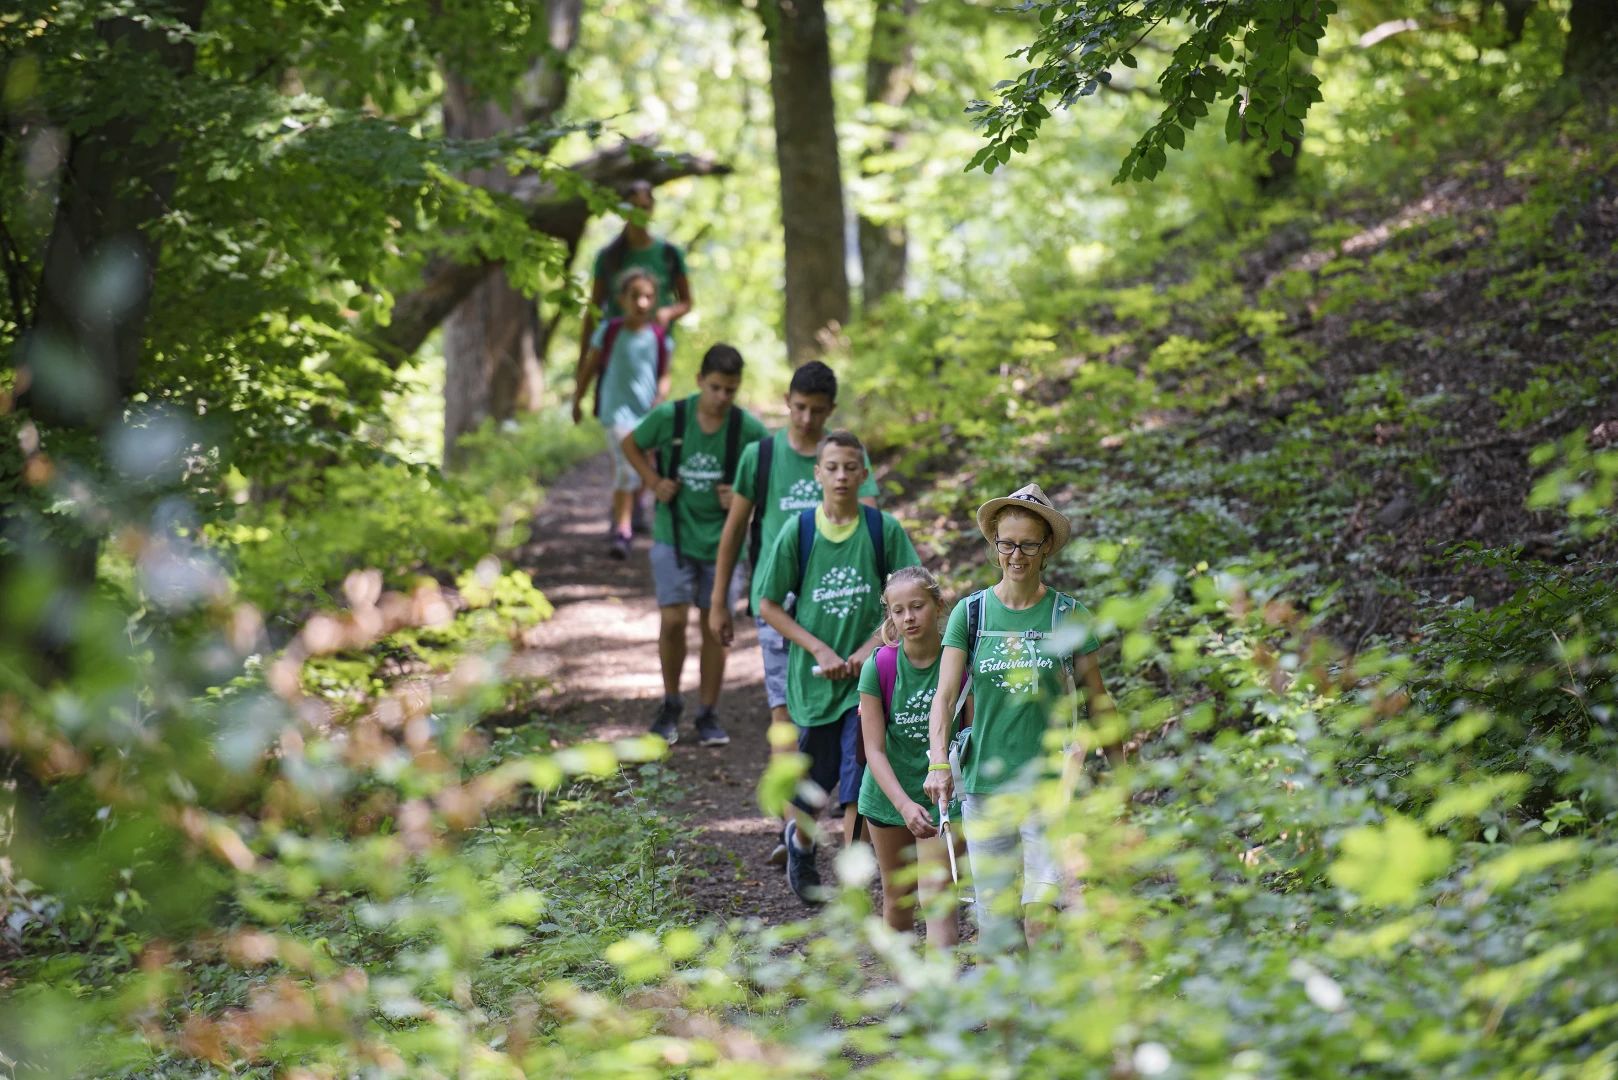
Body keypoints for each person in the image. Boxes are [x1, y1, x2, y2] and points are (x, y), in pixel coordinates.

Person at [922, 484, 1114, 952]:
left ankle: (1045, 999)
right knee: (996, 928)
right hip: (985, 788)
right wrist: (938, 763)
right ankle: (1009, 1002)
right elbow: (943, 697)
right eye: (1007, 543)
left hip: (1050, 789)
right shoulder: (971, 613)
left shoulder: (1068, 615)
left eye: (1028, 544)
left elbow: (1099, 701)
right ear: (994, 544)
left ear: (1046, 547)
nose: (1016, 555)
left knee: (1040, 921)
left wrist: (1123, 779)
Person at [707, 362, 879, 865]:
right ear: (787, 401)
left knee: (848, 711)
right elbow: (734, 530)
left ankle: (842, 822)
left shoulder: (845, 457)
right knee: (784, 715)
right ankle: (793, 833)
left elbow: (871, 524)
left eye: (817, 411)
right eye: (800, 407)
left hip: (839, 603)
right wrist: (719, 600)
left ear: (831, 410)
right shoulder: (760, 457)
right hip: (778, 606)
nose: (806, 418)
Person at [758, 431, 921, 904]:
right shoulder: (799, 532)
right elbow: (768, 605)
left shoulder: (883, 530)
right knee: (814, 781)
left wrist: (873, 645)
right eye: (832, 467)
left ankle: (853, 884)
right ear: (818, 474)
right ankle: (800, 843)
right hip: (813, 685)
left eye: (851, 467)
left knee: (859, 778)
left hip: (868, 683)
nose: (842, 476)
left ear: (864, 474)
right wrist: (819, 651)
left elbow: (915, 593)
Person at [621, 345, 767, 748]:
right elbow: (630, 444)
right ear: (700, 380)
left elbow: (771, 469)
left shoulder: (746, 428)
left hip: (724, 542)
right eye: (715, 387)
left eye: (730, 390)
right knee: (672, 620)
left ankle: (707, 712)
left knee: (714, 626)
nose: (722, 397)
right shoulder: (672, 417)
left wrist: (744, 496)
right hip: (674, 533)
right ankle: (670, 705)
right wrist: (653, 481)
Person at [857, 565, 970, 946]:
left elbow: (971, 735)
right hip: (888, 795)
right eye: (898, 610)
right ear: (890, 616)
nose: (909, 617)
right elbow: (873, 749)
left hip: (944, 797)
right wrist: (904, 805)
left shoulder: (962, 664)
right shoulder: (880, 666)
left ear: (939, 606)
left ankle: (940, 983)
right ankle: (903, 980)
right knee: (898, 898)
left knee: (938, 899)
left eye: (917, 606)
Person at [578, 180, 693, 536]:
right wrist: (583, 364)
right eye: (633, 206)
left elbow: (687, 301)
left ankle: (635, 503)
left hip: (654, 354)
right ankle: (626, 509)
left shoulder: (669, 254)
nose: (639, 213)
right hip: (618, 356)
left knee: (650, 437)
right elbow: (594, 310)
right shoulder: (609, 257)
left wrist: (667, 314)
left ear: (652, 209)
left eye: (645, 206)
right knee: (624, 437)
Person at [571, 268, 673, 559]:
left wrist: (660, 398)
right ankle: (623, 532)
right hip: (616, 413)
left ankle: (630, 508)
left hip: (646, 414)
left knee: (645, 467)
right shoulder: (610, 331)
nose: (642, 302)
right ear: (622, 299)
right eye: (635, 296)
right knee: (628, 468)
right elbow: (589, 367)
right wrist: (577, 400)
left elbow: (664, 374)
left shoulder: (659, 337)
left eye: (648, 297)